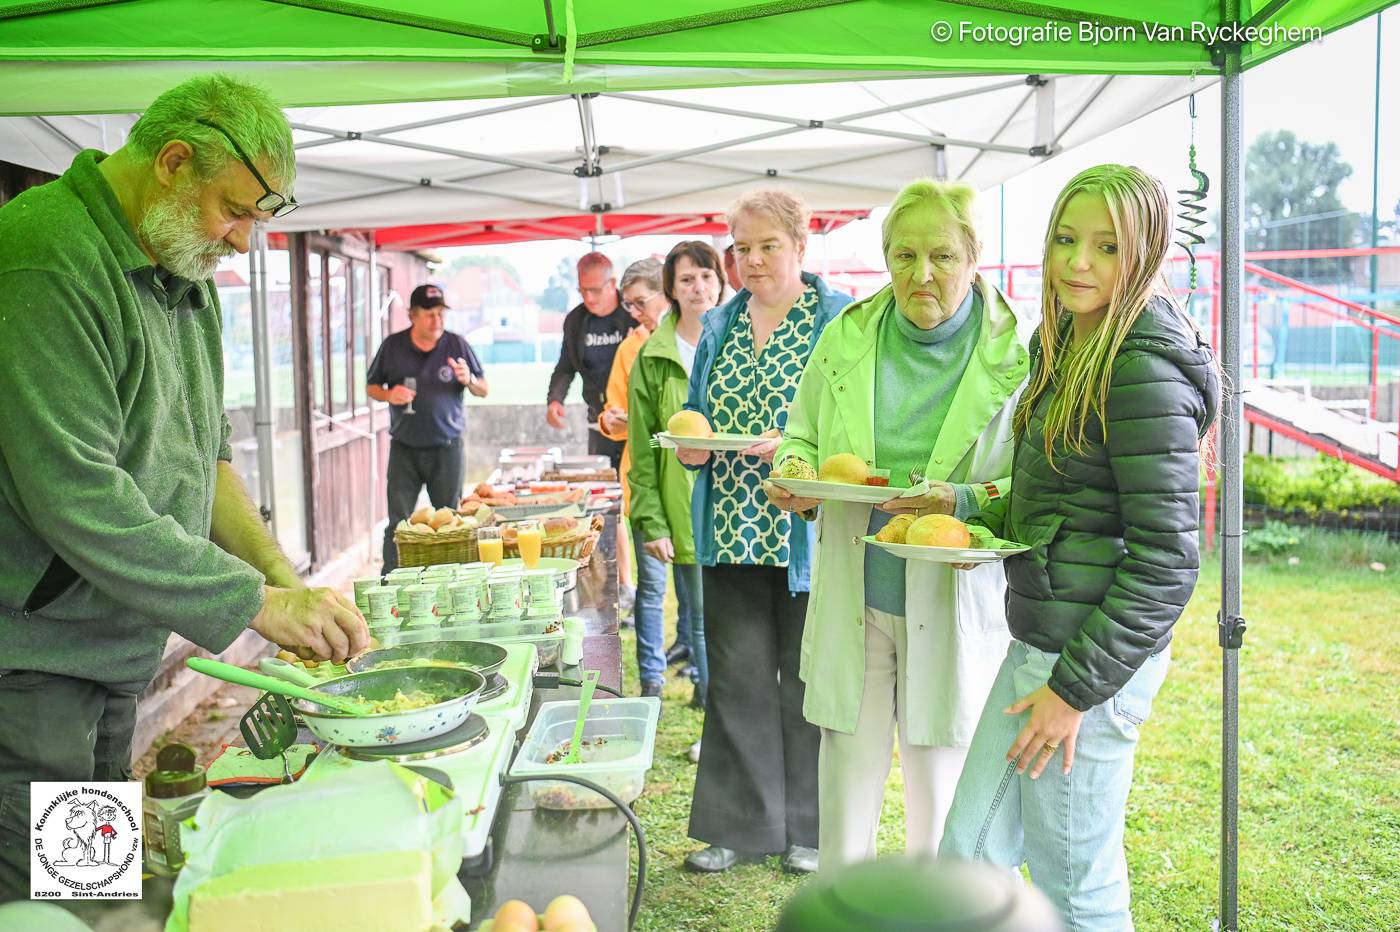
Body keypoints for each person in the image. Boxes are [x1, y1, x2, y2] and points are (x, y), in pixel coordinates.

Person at [0, 73, 369, 903]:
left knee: (90, 886)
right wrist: (255, 604)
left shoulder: (179, 268)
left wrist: (286, 583)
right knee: (45, 902)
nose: (242, 242)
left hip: (105, 652)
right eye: (233, 211)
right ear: (171, 162)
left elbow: (208, 461)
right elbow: (74, 489)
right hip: (29, 664)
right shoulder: (45, 257)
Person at [939, 165, 1220, 930]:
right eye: (1067, 239)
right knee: (967, 857)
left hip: (1085, 670)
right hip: (1039, 644)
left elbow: (1167, 563)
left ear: (1146, 253)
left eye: (1105, 246)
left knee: (1076, 888)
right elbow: (1058, 496)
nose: (1078, 262)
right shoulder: (1065, 346)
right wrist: (957, 506)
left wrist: (1073, 693)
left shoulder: (1139, 369)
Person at [769, 180, 1035, 872]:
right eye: (904, 255)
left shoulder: (1020, 354)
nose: (922, 275)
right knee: (846, 788)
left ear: (974, 256)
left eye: (942, 256)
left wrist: (966, 502)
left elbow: (1034, 487)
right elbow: (801, 436)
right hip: (858, 589)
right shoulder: (847, 336)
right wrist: (798, 475)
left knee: (940, 785)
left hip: (950, 597)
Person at [675, 189, 852, 875]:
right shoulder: (719, 324)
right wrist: (691, 445)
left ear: (800, 247)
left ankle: (808, 831)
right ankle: (742, 829)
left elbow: (853, 423)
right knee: (738, 681)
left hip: (806, 533)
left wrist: (794, 444)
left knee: (805, 686)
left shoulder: (837, 320)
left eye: (766, 246)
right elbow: (696, 414)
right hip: (729, 531)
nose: (752, 260)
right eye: (742, 248)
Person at [627, 242, 722, 720]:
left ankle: (717, 700)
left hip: (732, 503)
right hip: (676, 501)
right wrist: (652, 520)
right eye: (686, 280)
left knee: (726, 616)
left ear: (721, 282)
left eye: (706, 276)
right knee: (699, 615)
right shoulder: (653, 355)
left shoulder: (738, 338)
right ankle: (704, 699)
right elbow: (642, 447)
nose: (698, 287)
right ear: (671, 289)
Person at [367, 283, 489, 572]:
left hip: (447, 448)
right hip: (405, 448)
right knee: (398, 522)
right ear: (412, 315)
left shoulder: (456, 345)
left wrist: (468, 379)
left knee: (450, 521)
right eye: (429, 314)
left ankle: (452, 579)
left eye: (441, 314)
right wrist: (389, 394)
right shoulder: (393, 346)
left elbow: (483, 388)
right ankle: (391, 583)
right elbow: (372, 386)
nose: (437, 321)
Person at [545, 252, 637, 469]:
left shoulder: (633, 313)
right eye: (583, 290)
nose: (589, 298)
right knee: (603, 487)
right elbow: (565, 367)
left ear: (612, 283)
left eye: (595, 290)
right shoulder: (575, 321)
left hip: (635, 421)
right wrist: (555, 399)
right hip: (598, 421)